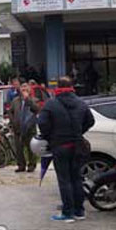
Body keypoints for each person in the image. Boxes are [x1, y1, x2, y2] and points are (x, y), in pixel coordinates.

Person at [37, 76, 95, 222]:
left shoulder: (51, 104)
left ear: (58, 87)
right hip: (78, 146)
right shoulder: (81, 103)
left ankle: (67, 213)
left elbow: (42, 123)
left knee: (64, 180)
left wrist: (49, 136)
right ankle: (79, 211)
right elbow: (90, 121)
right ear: (72, 87)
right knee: (77, 178)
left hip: (60, 146)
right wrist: (79, 132)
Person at [8, 83, 41, 173]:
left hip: (30, 128)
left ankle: (32, 165)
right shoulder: (15, 101)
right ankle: (21, 165)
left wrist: (27, 100)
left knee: (31, 148)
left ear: (29, 90)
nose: (24, 89)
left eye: (26, 88)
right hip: (18, 127)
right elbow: (10, 111)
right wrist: (13, 121)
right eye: (22, 88)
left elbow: (36, 109)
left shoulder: (34, 100)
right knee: (19, 148)